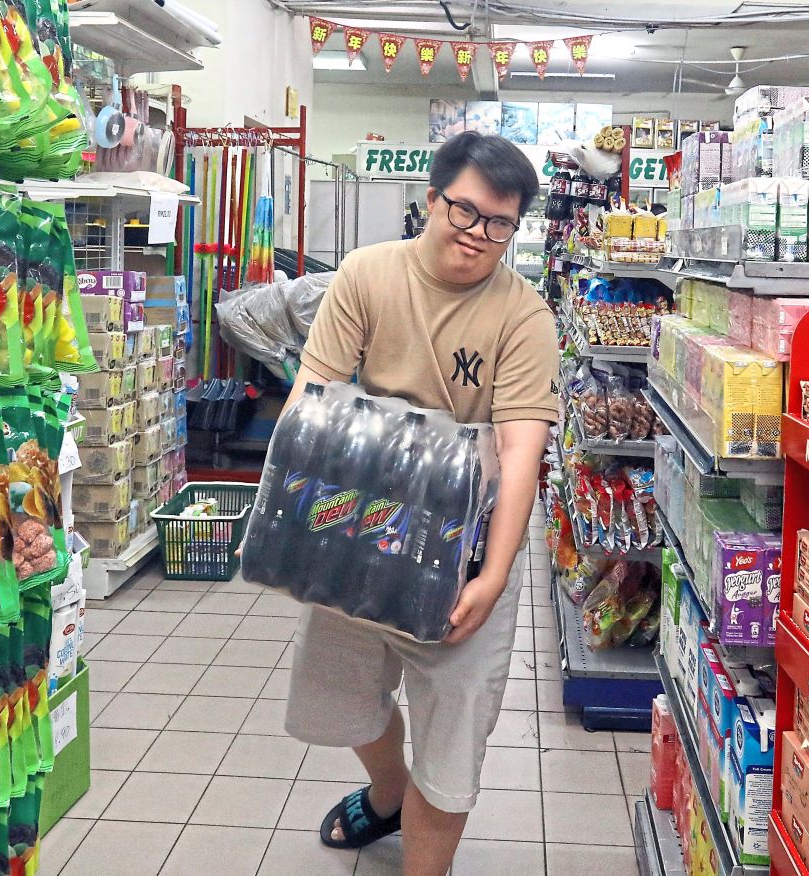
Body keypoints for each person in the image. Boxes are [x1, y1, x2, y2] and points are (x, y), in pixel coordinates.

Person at [282, 131, 559, 876]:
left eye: (499, 224)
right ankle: (387, 791)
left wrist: (494, 577)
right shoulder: (368, 275)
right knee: (341, 692)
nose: (477, 236)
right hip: (359, 522)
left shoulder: (525, 315)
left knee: (454, 730)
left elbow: (521, 450)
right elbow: (311, 397)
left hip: (465, 536)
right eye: (464, 212)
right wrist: (295, 518)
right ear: (430, 200)